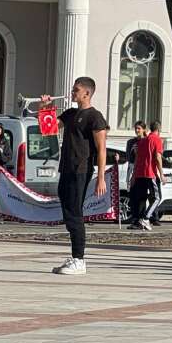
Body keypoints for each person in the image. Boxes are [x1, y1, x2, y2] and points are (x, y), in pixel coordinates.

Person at [50, 77, 109, 276]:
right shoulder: (70, 114)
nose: (73, 92)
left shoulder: (95, 117)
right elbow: (47, 128)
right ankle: (75, 257)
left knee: (75, 213)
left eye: (76, 90)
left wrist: (101, 177)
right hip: (65, 168)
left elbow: (101, 149)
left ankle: (79, 259)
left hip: (81, 169)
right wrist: (45, 106)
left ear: (87, 93)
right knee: (68, 211)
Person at [129, 119, 162, 231]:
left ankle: (142, 219)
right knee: (156, 197)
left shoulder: (143, 141)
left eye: (139, 128)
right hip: (149, 172)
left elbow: (138, 159)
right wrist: (161, 174)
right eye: (136, 128)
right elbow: (158, 157)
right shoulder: (155, 139)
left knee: (143, 198)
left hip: (141, 173)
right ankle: (145, 218)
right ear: (159, 130)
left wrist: (134, 175)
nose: (137, 130)